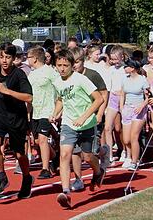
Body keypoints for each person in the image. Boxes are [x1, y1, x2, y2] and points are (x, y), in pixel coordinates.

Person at [51, 50, 105, 209]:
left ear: (72, 65)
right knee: (65, 155)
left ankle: (98, 171)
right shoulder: (57, 81)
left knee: (87, 157)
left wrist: (84, 116)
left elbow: (99, 99)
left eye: (65, 66)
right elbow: (61, 99)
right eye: (59, 65)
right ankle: (66, 192)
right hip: (68, 123)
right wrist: (55, 113)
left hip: (87, 123)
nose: (62, 69)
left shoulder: (81, 79)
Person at [0, 43, 34, 198]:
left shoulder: (19, 75)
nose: (4, 60)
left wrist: (7, 91)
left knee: (19, 154)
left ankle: (27, 178)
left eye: (8, 57)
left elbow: (29, 97)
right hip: (0, 114)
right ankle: (1, 176)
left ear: (13, 58)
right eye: (1, 57)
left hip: (16, 116)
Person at [68, 47, 108, 192]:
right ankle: (78, 179)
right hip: (74, 119)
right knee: (74, 151)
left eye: (77, 62)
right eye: (71, 62)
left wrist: (100, 114)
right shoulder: (68, 76)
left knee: (89, 155)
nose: (74, 66)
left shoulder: (93, 75)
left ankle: (103, 154)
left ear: (83, 61)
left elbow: (104, 94)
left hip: (92, 118)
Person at [26, 46, 58, 179]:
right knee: (38, 141)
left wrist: (57, 111)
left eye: (28, 57)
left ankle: (45, 168)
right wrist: (28, 113)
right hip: (35, 111)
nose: (26, 60)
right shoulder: (31, 74)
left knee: (44, 139)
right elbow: (28, 95)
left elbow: (58, 90)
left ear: (35, 58)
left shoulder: (50, 72)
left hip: (48, 110)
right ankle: (55, 156)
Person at [119, 59, 149, 170]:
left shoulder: (143, 80)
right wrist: (121, 108)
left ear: (132, 68)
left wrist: (141, 106)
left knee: (134, 137)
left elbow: (148, 97)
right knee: (126, 139)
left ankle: (134, 161)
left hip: (138, 110)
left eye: (126, 66)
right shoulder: (124, 79)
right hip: (127, 109)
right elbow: (122, 94)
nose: (124, 68)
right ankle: (129, 155)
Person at [103, 45, 126, 163]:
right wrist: (106, 105)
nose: (114, 62)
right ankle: (109, 155)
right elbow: (108, 88)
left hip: (124, 99)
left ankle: (125, 149)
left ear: (122, 57)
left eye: (116, 59)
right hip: (112, 99)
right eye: (112, 59)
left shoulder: (126, 69)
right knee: (107, 127)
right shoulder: (110, 70)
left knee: (119, 128)